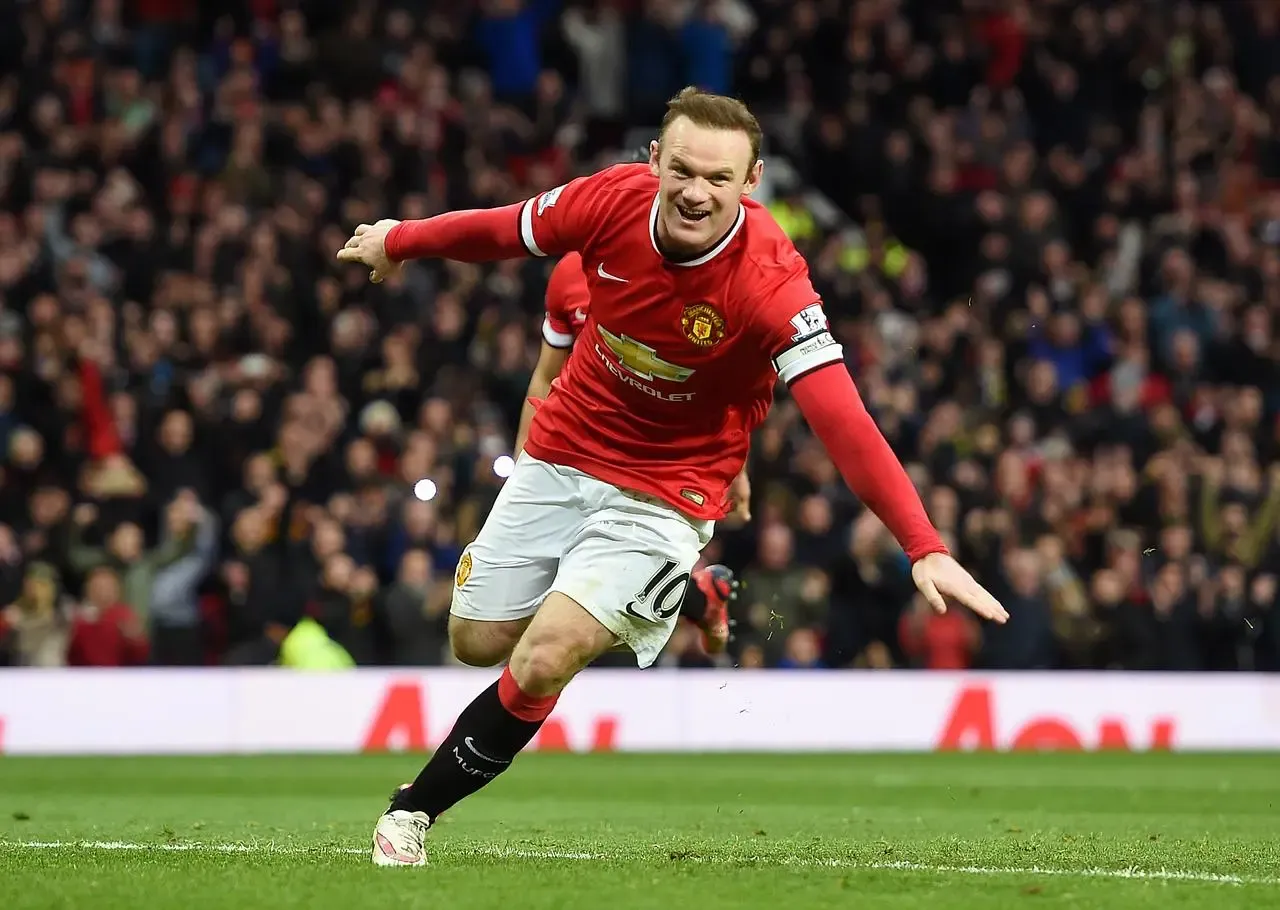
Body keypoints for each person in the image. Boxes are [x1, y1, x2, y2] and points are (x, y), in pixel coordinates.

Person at [338, 86, 1007, 867]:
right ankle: (692, 591)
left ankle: (412, 812)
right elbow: (502, 229)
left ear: (751, 181)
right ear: (653, 161)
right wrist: (400, 239)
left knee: (544, 656)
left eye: (719, 179)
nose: (696, 192)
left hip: (672, 487)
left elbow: (845, 420)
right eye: (682, 170)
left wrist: (921, 543)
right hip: (565, 449)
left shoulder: (772, 281)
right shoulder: (608, 202)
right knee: (476, 640)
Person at [517, 252, 746, 655]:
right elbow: (544, 375)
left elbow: (722, 392)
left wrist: (736, 469)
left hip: (648, 458)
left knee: (602, 602)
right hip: (571, 450)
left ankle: (696, 600)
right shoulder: (571, 272)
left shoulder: (680, 280)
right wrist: (524, 459)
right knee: (548, 601)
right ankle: (700, 599)